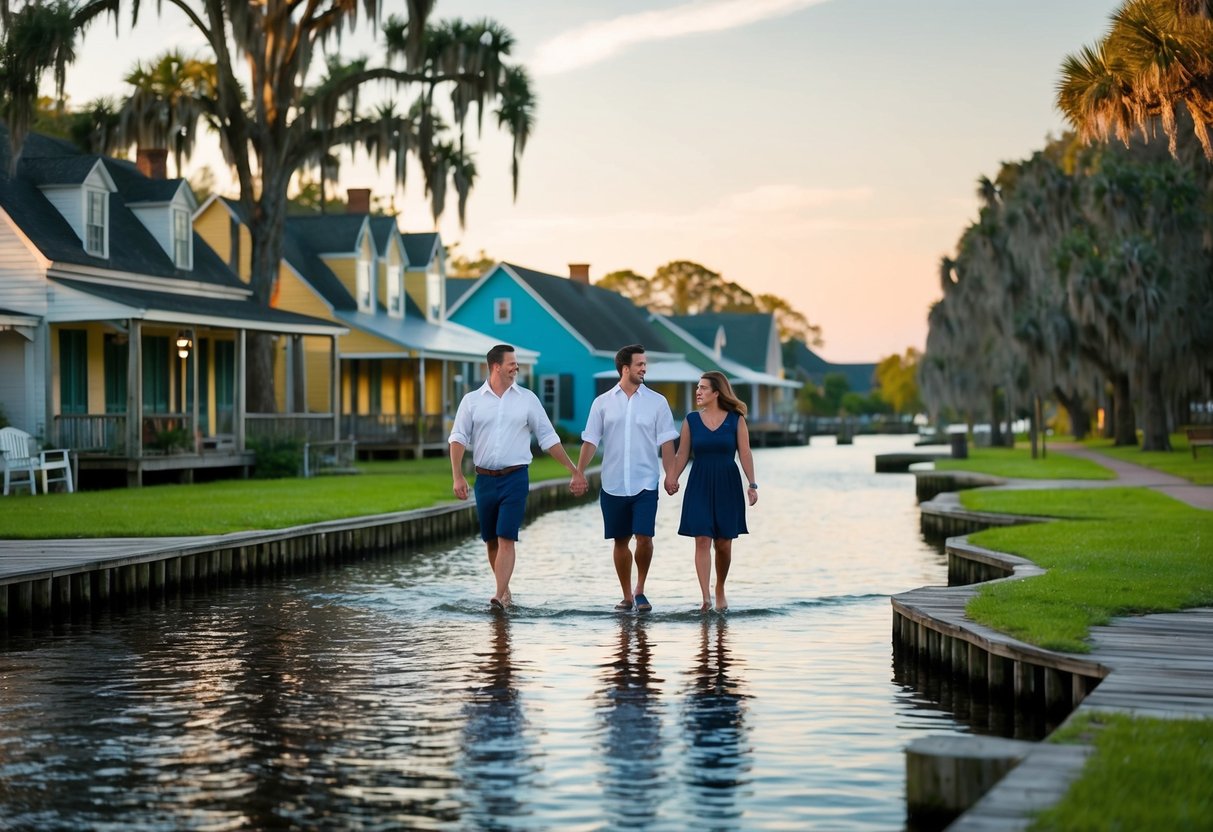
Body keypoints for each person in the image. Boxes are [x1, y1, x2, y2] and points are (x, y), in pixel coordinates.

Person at [450, 344, 587, 609]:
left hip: (515, 478)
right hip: (485, 480)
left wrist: (574, 470)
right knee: (491, 540)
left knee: (506, 536)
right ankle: (505, 591)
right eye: (511, 363)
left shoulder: (527, 399)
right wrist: (457, 476)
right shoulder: (471, 401)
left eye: (516, 363)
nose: (516, 367)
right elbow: (457, 438)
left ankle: (499, 595)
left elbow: (548, 438)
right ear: (495, 366)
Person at [577, 344, 680, 613]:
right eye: (639, 364)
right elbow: (590, 441)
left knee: (644, 537)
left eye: (645, 364)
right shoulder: (602, 403)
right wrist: (578, 471)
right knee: (620, 541)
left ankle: (640, 590)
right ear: (625, 368)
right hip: (612, 483)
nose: (644, 368)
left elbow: (667, 442)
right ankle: (625, 595)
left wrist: (671, 475)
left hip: (646, 481)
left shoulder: (657, 402)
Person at [666, 371, 757, 612]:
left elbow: (745, 453)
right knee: (702, 539)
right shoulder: (691, 421)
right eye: (698, 387)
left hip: (727, 482)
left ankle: (720, 588)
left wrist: (752, 484)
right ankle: (705, 596)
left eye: (704, 388)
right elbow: (682, 453)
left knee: (724, 543)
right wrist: (672, 478)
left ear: (717, 393)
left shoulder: (736, 420)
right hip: (700, 483)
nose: (698, 392)